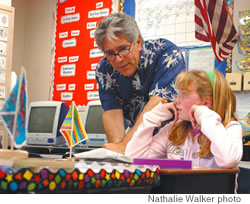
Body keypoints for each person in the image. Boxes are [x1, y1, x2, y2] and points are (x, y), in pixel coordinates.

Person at [94, 13, 186, 154]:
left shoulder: (167, 54)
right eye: (110, 53)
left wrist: (126, 146)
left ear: (137, 42)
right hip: (138, 140)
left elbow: (157, 103)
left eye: (123, 49)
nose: (118, 59)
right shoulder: (104, 68)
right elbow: (112, 112)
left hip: (176, 140)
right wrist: (119, 153)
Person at [125, 70, 243, 168]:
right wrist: (153, 117)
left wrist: (203, 114)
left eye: (184, 94)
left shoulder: (230, 128)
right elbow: (133, 159)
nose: (176, 100)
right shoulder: (174, 129)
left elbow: (228, 160)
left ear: (206, 102)